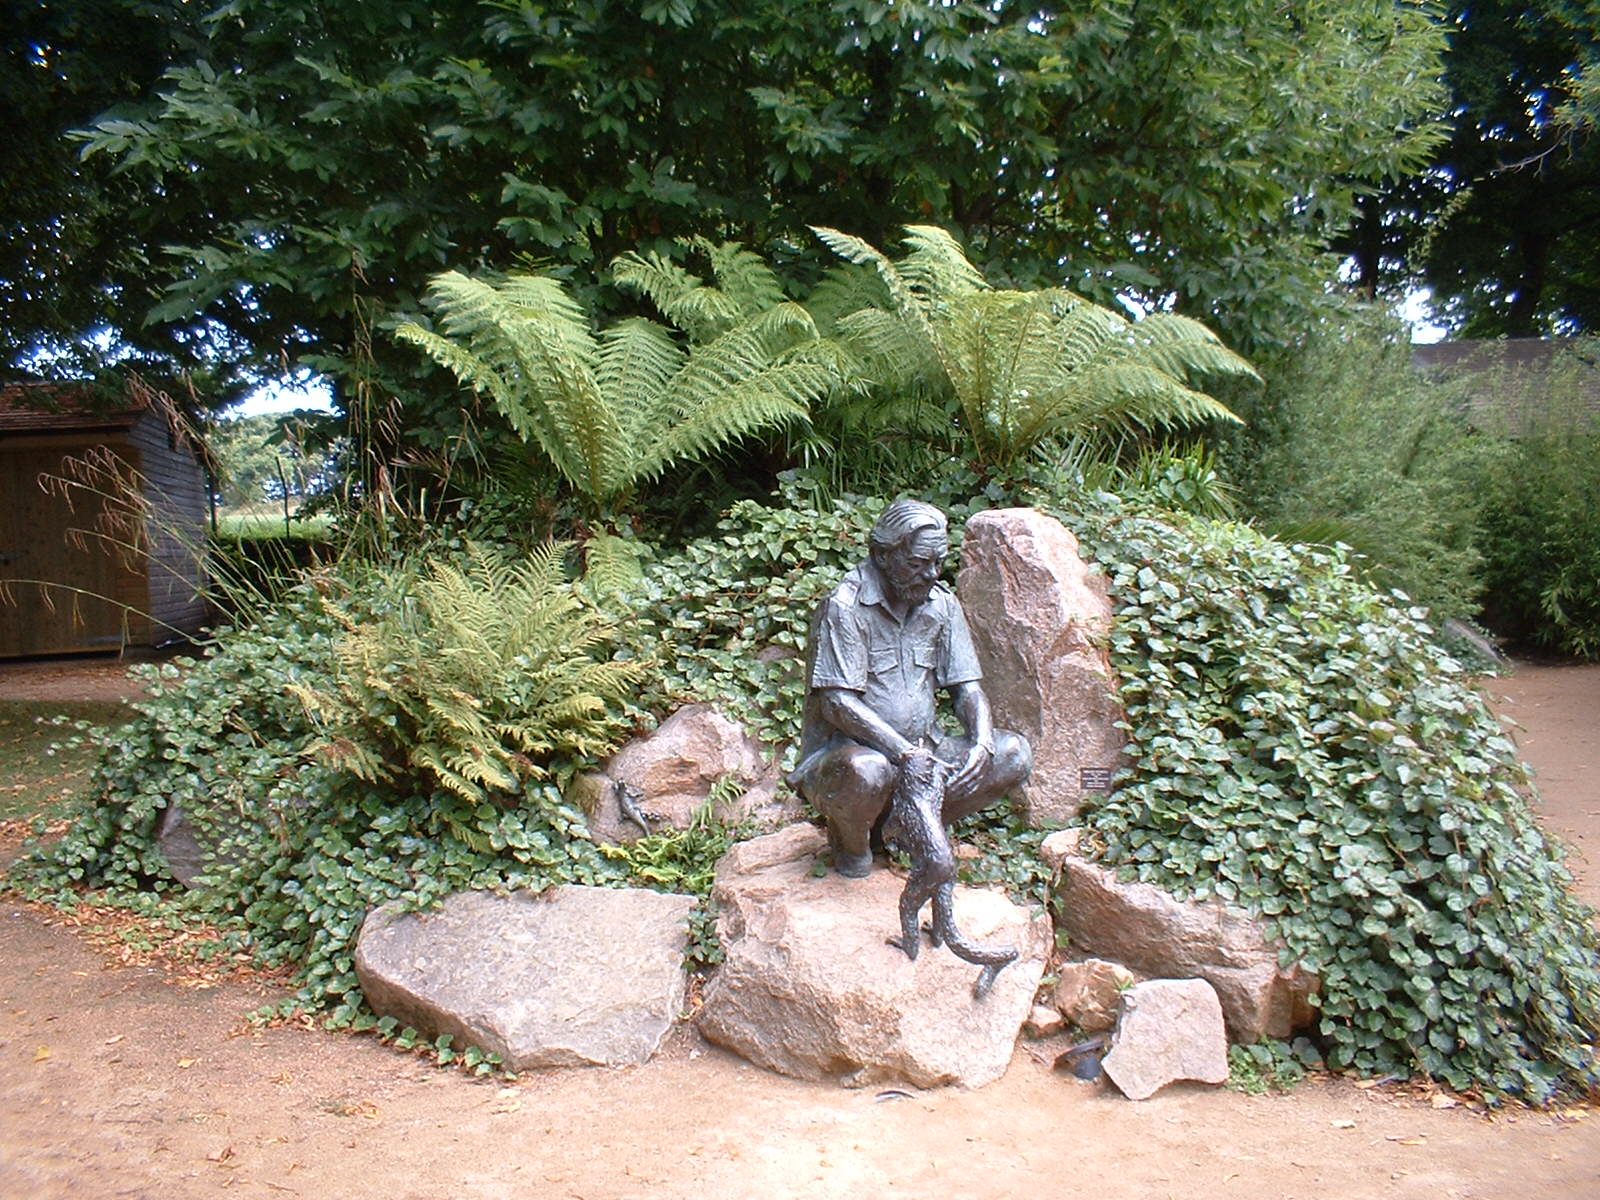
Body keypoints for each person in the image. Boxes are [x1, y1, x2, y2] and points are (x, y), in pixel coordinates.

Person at [789, 499, 1031, 877]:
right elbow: (837, 704)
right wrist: (902, 753)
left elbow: (967, 689)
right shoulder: (845, 606)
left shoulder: (942, 605)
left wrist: (981, 742)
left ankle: (904, 827)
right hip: (851, 760)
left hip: (925, 752)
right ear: (882, 556)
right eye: (917, 564)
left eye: (938, 562)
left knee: (1012, 753)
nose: (931, 574)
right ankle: (852, 843)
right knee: (867, 770)